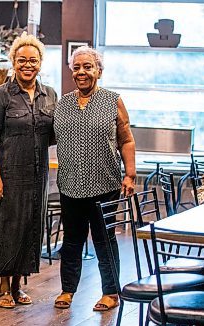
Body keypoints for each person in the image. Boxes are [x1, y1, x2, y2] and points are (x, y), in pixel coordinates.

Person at [0, 32, 57, 309]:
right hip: (9, 173)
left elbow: (53, 133)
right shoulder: (0, 96)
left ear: (40, 63)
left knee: (31, 227)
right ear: (13, 61)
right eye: (22, 59)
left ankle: (17, 285)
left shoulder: (50, 95)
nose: (27, 64)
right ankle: (2, 287)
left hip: (39, 175)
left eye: (33, 60)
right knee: (8, 227)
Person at [53, 46, 136, 311]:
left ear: (98, 70)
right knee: (71, 241)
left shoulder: (113, 100)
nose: (81, 72)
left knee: (104, 240)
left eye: (87, 67)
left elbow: (126, 139)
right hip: (70, 184)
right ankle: (67, 290)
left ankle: (111, 292)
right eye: (76, 67)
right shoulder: (63, 102)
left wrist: (130, 174)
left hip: (105, 184)